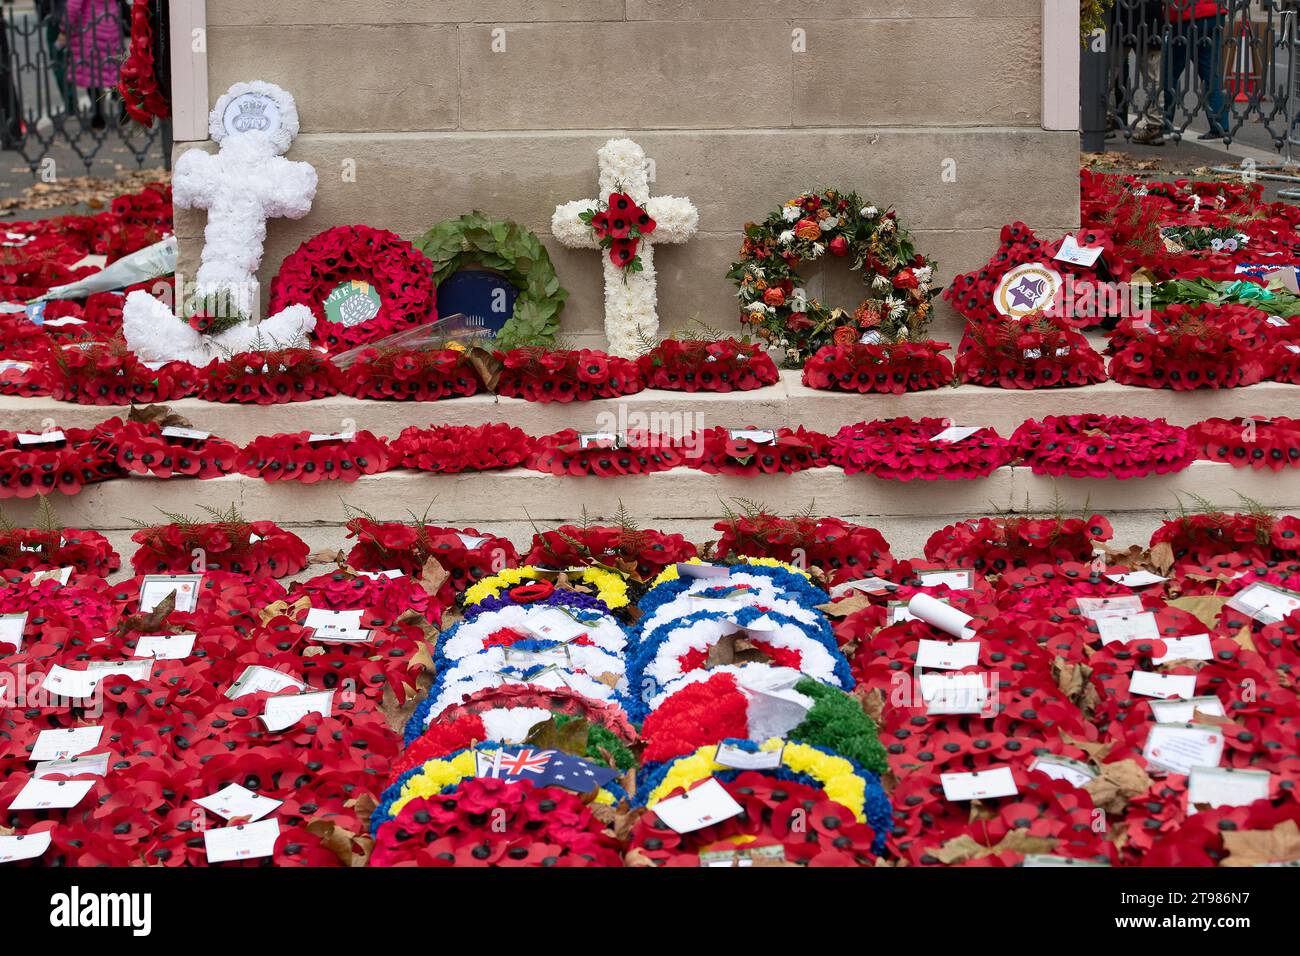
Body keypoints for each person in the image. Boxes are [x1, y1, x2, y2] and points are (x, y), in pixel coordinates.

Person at [1163, 0, 1231, 140]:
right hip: (1214, 14)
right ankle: (1219, 125)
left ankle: (1164, 122)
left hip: (1188, 16)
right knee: (1210, 74)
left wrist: (1169, 19)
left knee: (1169, 72)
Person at [64, 0, 123, 130]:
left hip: (89, 27)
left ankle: (98, 117)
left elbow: (73, 7)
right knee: (113, 71)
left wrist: (64, 29)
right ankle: (124, 109)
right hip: (110, 23)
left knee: (92, 75)